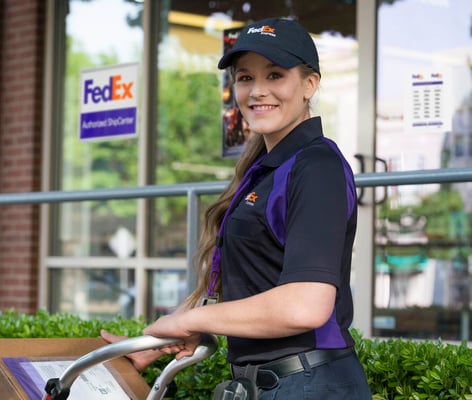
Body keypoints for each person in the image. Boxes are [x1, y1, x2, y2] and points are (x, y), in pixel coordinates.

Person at [102, 17, 372, 399]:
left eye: (275, 75)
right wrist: (161, 337)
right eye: (245, 78)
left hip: (308, 384)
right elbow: (253, 283)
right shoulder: (266, 167)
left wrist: (190, 320)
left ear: (310, 84)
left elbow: (304, 306)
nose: (257, 91)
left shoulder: (316, 167)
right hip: (272, 384)